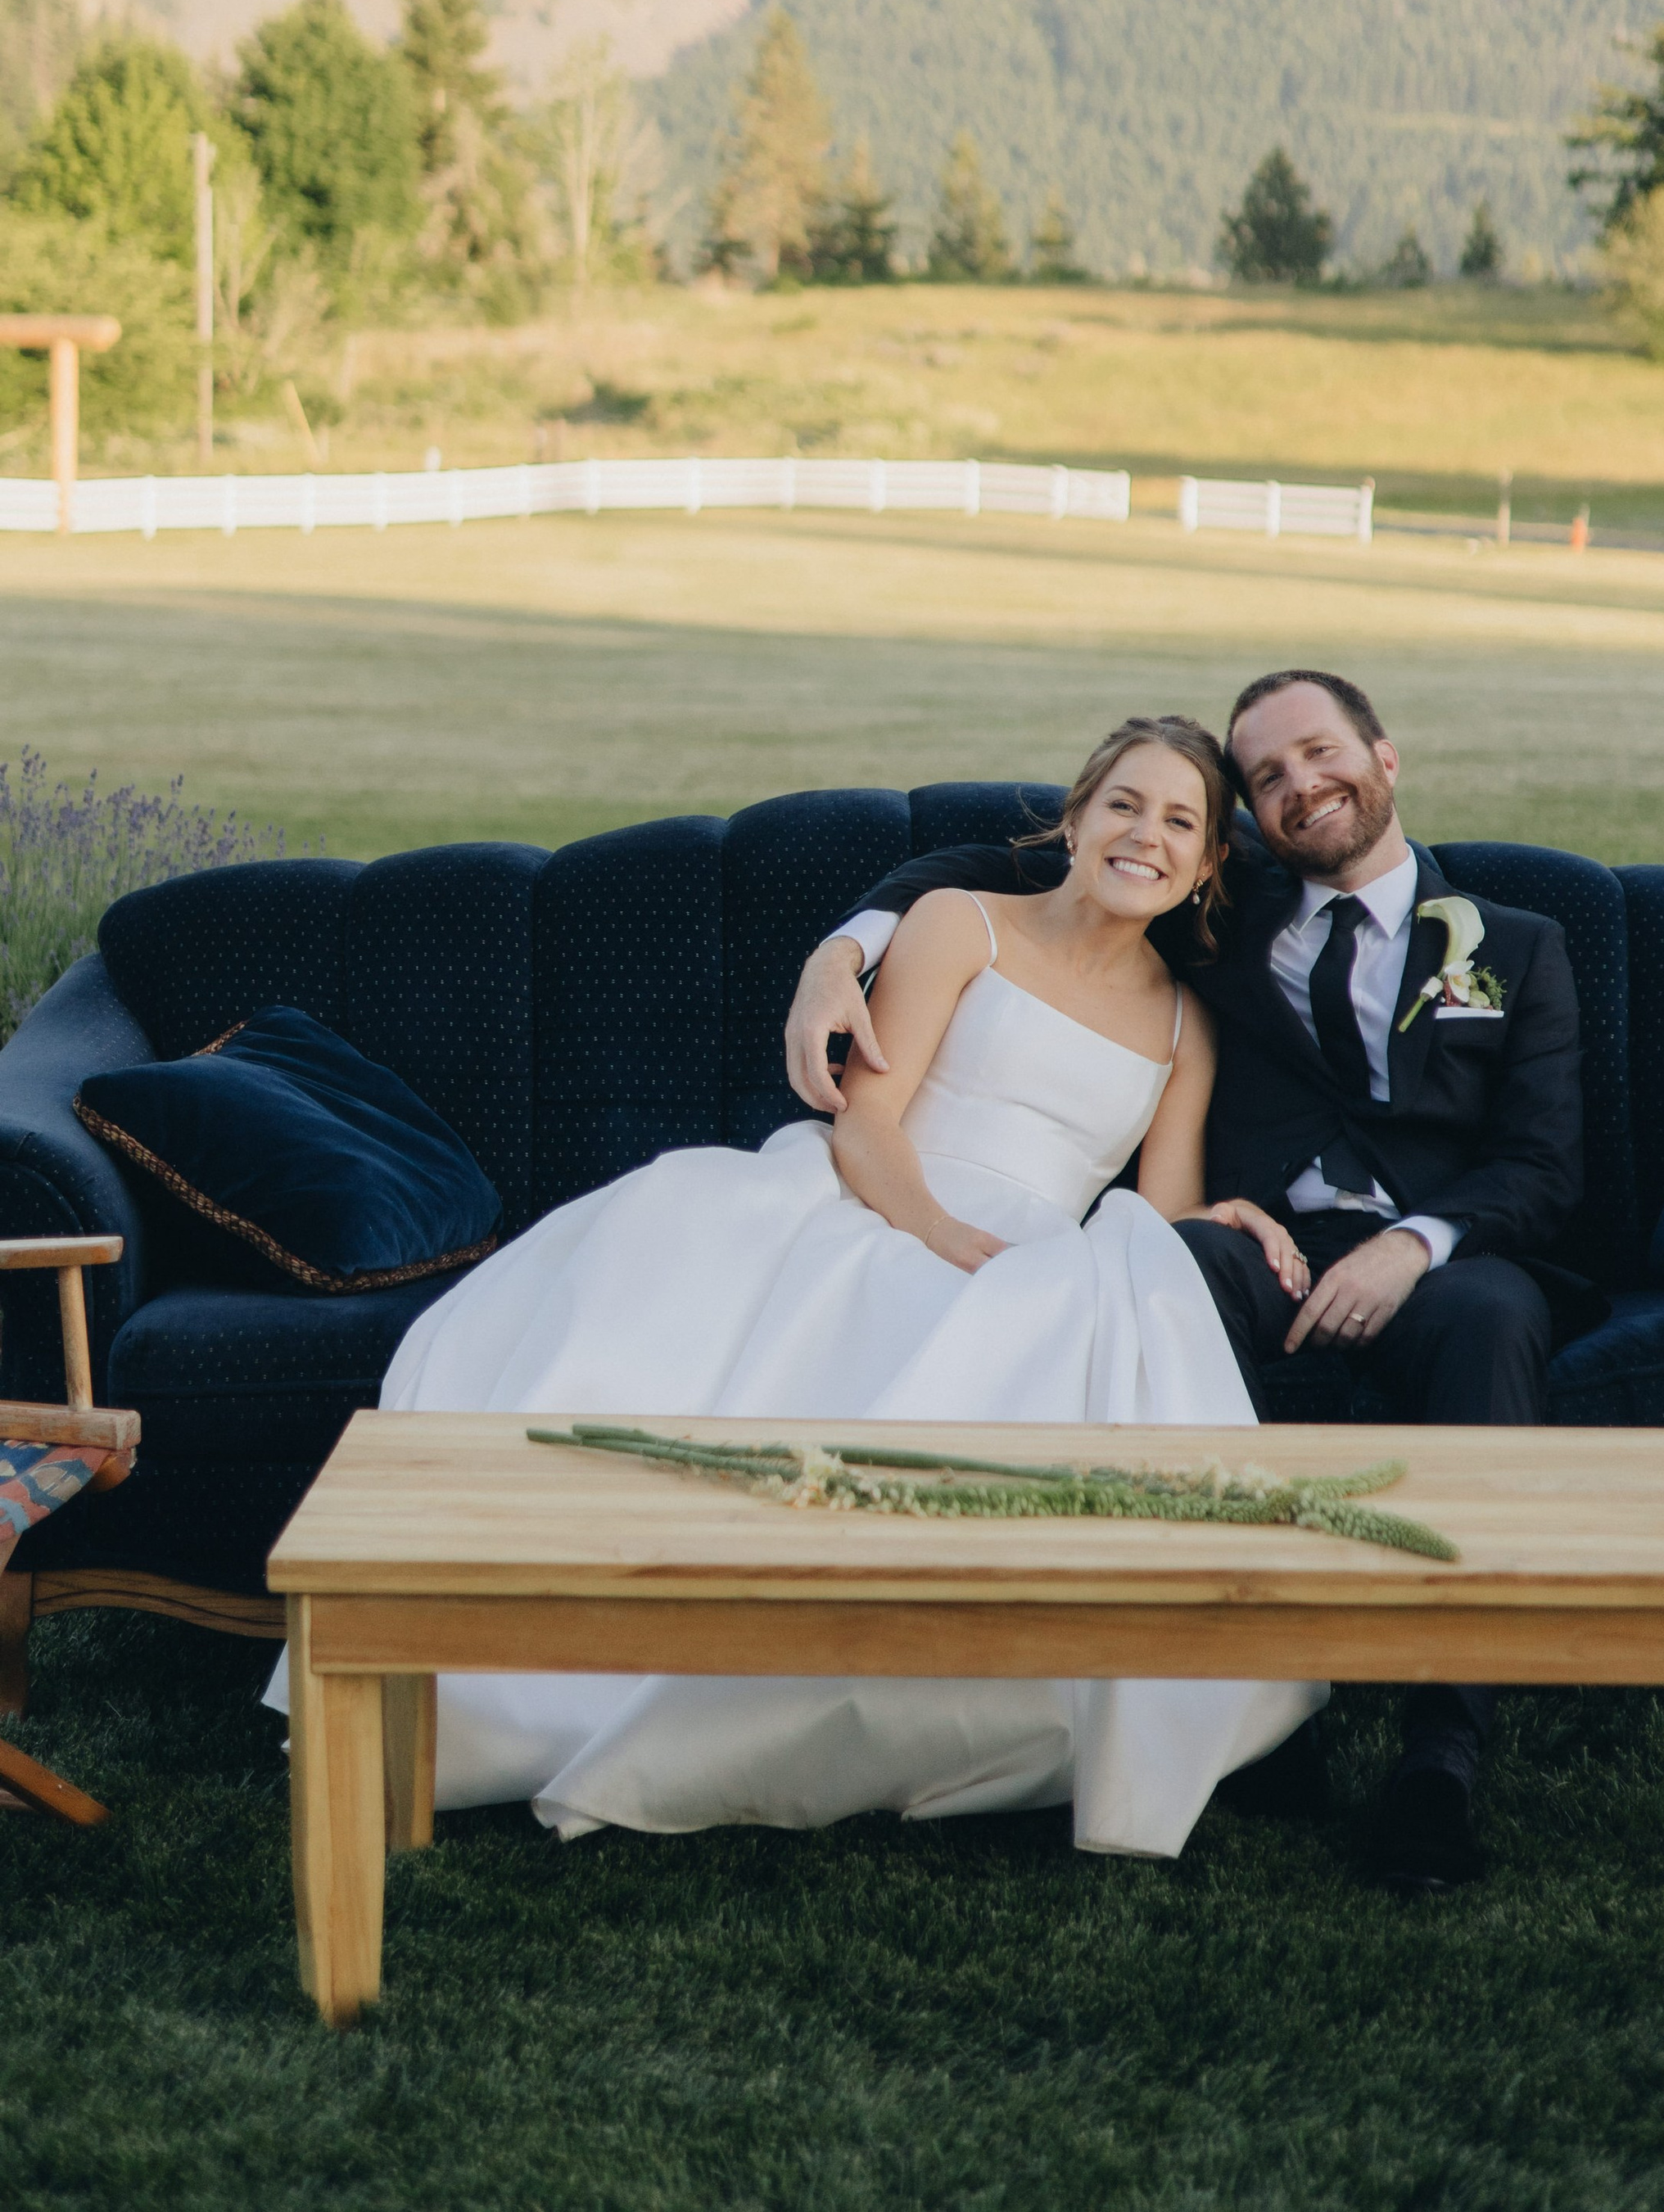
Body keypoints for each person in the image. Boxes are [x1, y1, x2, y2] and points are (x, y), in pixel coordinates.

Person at [283, 716, 1322, 1856]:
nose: (1147, 834)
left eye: (1181, 821)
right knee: (672, 1322)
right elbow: (868, 1119)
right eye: (1124, 803)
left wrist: (1220, 1217)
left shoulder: (1185, 1025)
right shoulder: (961, 923)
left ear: (1207, 865)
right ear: (1074, 819)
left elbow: (1163, 1213)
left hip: (1042, 1261)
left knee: (1076, 1331)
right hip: (877, 1196)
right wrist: (931, 1228)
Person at [785, 668, 1591, 1894]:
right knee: (1158, 1270)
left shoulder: (1518, 948)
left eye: (1319, 754)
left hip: (1437, 1260)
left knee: (1495, 1323)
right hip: (1257, 1243)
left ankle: (1442, 1754)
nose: (1300, 786)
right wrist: (844, 945)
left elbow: (1542, 1166)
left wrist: (1413, 1241)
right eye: (1267, 777)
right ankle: (1257, 1708)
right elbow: (985, 858)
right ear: (1248, 827)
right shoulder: (1227, 912)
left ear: (1383, 757)